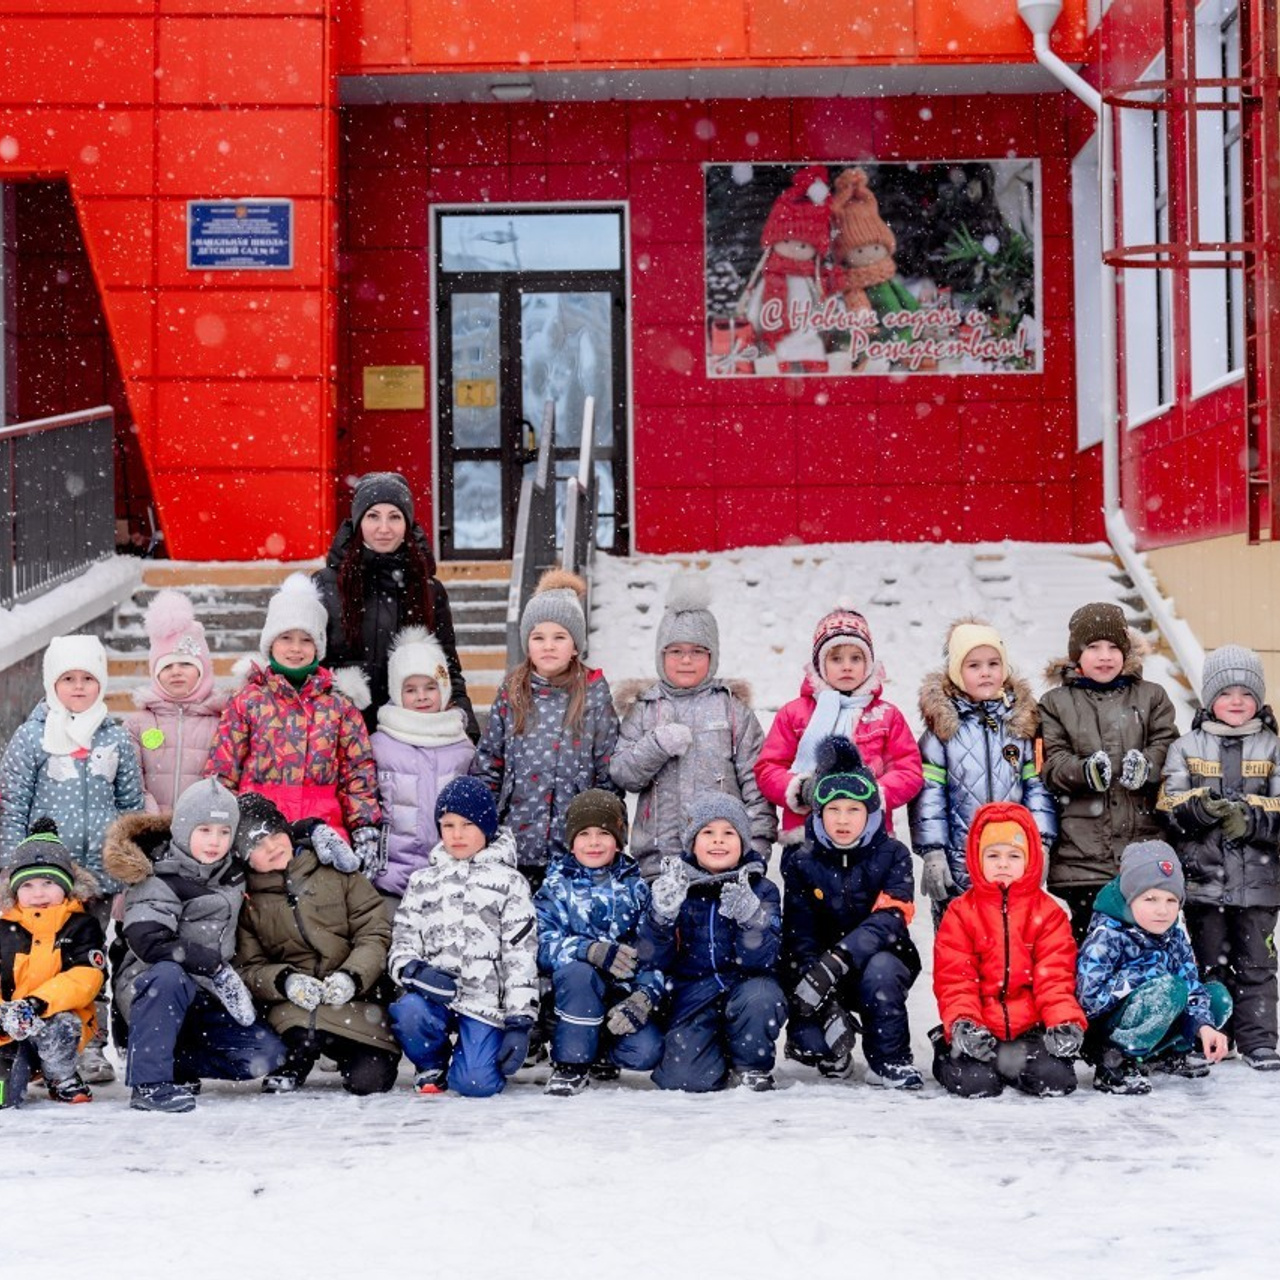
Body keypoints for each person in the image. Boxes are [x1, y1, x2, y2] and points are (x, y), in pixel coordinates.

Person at [0, 632, 144, 1085]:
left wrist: (124, 864)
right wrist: (10, 868)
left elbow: (130, 806)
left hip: (96, 878)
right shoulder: (32, 737)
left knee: (88, 962)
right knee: (40, 961)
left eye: (88, 678)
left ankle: (89, 1046)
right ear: (51, 683)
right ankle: (36, 1042)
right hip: (42, 878)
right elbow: (12, 803)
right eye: (68, 678)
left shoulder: (115, 738)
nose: (79, 687)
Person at [104, 778, 287, 1112]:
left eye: (223, 831)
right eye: (204, 830)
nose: (214, 842)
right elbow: (148, 938)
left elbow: (275, 835)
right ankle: (149, 1083)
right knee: (169, 974)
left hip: (205, 996)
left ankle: (177, 1061)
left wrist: (312, 832)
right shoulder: (156, 874)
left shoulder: (232, 870)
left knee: (265, 1055)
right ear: (184, 828)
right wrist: (214, 966)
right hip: (152, 992)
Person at [205, 572, 383, 871]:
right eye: (286, 638)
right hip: (260, 831)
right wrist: (215, 823)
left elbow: (358, 774)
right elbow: (223, 768)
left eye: (306, 640)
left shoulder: (339, 706)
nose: (296, 648)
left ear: (318, 647)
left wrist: (365, 827)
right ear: (271, 643)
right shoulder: (248, 700)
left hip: (323, 830)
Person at [1158, 645, 1280, 1070]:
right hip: (1203, 882)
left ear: (1258, 700)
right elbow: (1169, 806)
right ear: (1209, 698)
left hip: (1260, 885)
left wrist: (1251, 819)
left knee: (1258, 964)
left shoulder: (1272, 748)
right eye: (1226, 693)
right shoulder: (1187, 747)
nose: (1236, 702)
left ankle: (1259, 1040)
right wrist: (1199, 809)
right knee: (1209, 963)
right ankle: (1214, 1034)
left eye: (1246, 694)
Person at [233, 793, 400, 1096]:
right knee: (295, 1038)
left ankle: (351, 1050)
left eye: (274, 834)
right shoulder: (249, 901)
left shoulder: (334, 872)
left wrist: (353, 975)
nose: (271, 847)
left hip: (358, 1005)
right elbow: (249, 967)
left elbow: (374, 932)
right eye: (255, 844)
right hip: (295, 1010)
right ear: (242, 856)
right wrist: (285, 981)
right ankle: (295, 1057)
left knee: (370, 1082)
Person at [611, 574, 775, 880]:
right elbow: (623, 774)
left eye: (697, 651)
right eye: (676, 651)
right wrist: (655, 745)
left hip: (724, 865)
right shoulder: (644, 709)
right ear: (662, 656)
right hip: (658, 864)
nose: (686, 660)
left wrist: (755, 850)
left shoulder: (732, 710)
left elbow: (757, 785)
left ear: (711, 656)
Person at [781, 737, 923, 1089]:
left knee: (882, 971)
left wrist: (839, 958)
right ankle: (830, 1046)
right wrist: (822, 992)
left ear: (871, 813)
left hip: (875, 960)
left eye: (854, 810)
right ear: (818, 813)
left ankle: (890, 1060)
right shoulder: (801, 860)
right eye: (833, 810)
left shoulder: (893, 854)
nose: (843, 820)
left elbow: (891, 918)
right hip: (819, 968)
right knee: (809, 1022)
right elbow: (800, 932)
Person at [386, 777, 538, 1098]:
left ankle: (470, 1060)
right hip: (434, 997)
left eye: (468, 824)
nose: (456, 834)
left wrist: (519, 1021)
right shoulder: (423, 881)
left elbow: (520, 956)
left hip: (484, 1002)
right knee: (410, 1012)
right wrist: (415, 971)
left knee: (475, 1084)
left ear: (486, 827)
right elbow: (402, 941)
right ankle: (431, 1063)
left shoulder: (510, 883)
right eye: (448, 824)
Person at [1039, 602, 1179, 944]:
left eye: (1114, 647)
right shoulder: (1055, 703)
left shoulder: (1151, 697)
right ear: (1077, 654)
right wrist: (1083, 772)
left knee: (1145, 948)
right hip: (1082, 858)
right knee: (1091, 951)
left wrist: (1147, 766)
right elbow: (1051, 762)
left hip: (1143, 852)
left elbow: (1169, 747)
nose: (1105, 656)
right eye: (1093, 647)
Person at [472, 569, 620, 887]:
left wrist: (604, 827)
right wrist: (483, 826)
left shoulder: (593, 693)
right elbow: (489, 762)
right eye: (539, 637)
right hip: (516, 840)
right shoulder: (513, 690)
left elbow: (608, 769)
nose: (548, 646)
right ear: (527, 643)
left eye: (559, 637)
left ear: (576, 646)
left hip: (575, 845)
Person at [931, 803, 1085, 1099]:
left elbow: (1055, 978)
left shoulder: (1048, 914)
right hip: (979, 1026)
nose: (1003, 864)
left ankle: (1013, 1062)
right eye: (993, 855)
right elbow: (955, 979)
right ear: (977, 860)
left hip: (1028, 1030)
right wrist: (965, 1022)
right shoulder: (961, 913)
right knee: (975, 1084)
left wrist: (1063, 1021)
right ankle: (949, 1049)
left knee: (1055, 1079)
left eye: (1013, 856)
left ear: (1030, 861)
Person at [638, 793, 786, 1093]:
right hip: (692, 996)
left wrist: (751, 918)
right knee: (683, 1081)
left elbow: (767, 959)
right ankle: (715, 1051)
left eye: (728, 833)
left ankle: (750, 1065)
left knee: (762, 996)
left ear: (743, 842)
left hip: (743, 989)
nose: (718, 841)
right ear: (692, 842)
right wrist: (662, 917)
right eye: (708, 832)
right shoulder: (674, 885)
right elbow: (653, 958)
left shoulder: (762, 889)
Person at [911, 619, 1057, 923]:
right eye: (974, 665)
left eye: (993, 663)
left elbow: (1036, 788)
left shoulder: (1022, 727)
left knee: (1012, 952)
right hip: (960, 866)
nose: (986, 672)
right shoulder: (942, 732)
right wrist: (933, 850)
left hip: (1013, 862)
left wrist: (1041, 841)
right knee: (960, 952)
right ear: (956, 672)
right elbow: (930, 796)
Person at [315, 471, 477, 739]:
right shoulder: (327, 585)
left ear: (407, 523)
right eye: (373, 516)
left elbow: (446, 668)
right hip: (341, 734)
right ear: (357, 522)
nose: (384, 528)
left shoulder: (428, 590)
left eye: (394, 517)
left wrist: (468, 730)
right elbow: (309, 665)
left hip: (409, 737)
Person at [755, 603, 922, 847]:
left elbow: (909, 770)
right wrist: (800, 789)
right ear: (820, 664)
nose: (846, 666)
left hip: (870, 834)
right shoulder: (795, 714)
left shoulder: (886, 715)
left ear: (869, 662)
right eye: (836, 658)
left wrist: (875, 791)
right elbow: (768, 768)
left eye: (856, 658)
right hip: (807, 835)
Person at [533, 789, 665, 1096]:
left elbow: (653, 952)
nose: (594, 842)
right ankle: (571, 1063)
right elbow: (540, 942)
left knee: (648, 1050)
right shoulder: (556, 886)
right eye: (584, 834)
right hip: (569, 999)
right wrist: (588, 950)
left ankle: (600, 1052)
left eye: (604, 833)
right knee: (579, 973)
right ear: (571, 840)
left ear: (619, 838)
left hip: (616, 1000)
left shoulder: (636, 889)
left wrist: (644, 996)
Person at [1076, 840, 1232, 1095]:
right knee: (1170, 989)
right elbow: (1088, 1002)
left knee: (1217, 998)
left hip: (1157, 1008)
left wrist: (1204, 1026)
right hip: (1107, 1032)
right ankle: (1115, 1065)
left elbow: (1192, 986)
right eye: (1150, 899)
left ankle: (1168, 1054)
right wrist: (1146, 973)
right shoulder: (1107, 934)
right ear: (1130, 897)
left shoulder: (1174, 934)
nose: (1162, 910)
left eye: (1171, 900)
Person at [0, 820, 107, 1108]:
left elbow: (86, 978)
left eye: (48, 883)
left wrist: (36, 1004)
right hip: (8, 1025)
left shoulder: (81, 925)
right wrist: (4, 1012)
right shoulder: (4, 927)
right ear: (14, 890)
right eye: (29, 885)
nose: (38, 893)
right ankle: (14, 1069)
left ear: (66, 887)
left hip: (55, 1017)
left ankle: (60, 1076)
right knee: (5, 1098)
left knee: (61, 1025)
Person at [369, 626, 475, 906]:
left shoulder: (461, 746)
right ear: (396, 692)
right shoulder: (380, 745)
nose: (422, 696)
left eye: (430, 687)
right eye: (411, 689)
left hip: (450, 877)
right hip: (392, 879)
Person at [126, 588, 227, 814]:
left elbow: (225, 778)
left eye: (186, 664)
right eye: (167, 666)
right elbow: (131, 779)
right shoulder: (137, 724)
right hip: (150, 828)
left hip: (202, 830)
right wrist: (152, 816)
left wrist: (199, 820)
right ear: (155, 673)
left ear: (203, 670)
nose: (176, 672)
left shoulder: (221, 721)